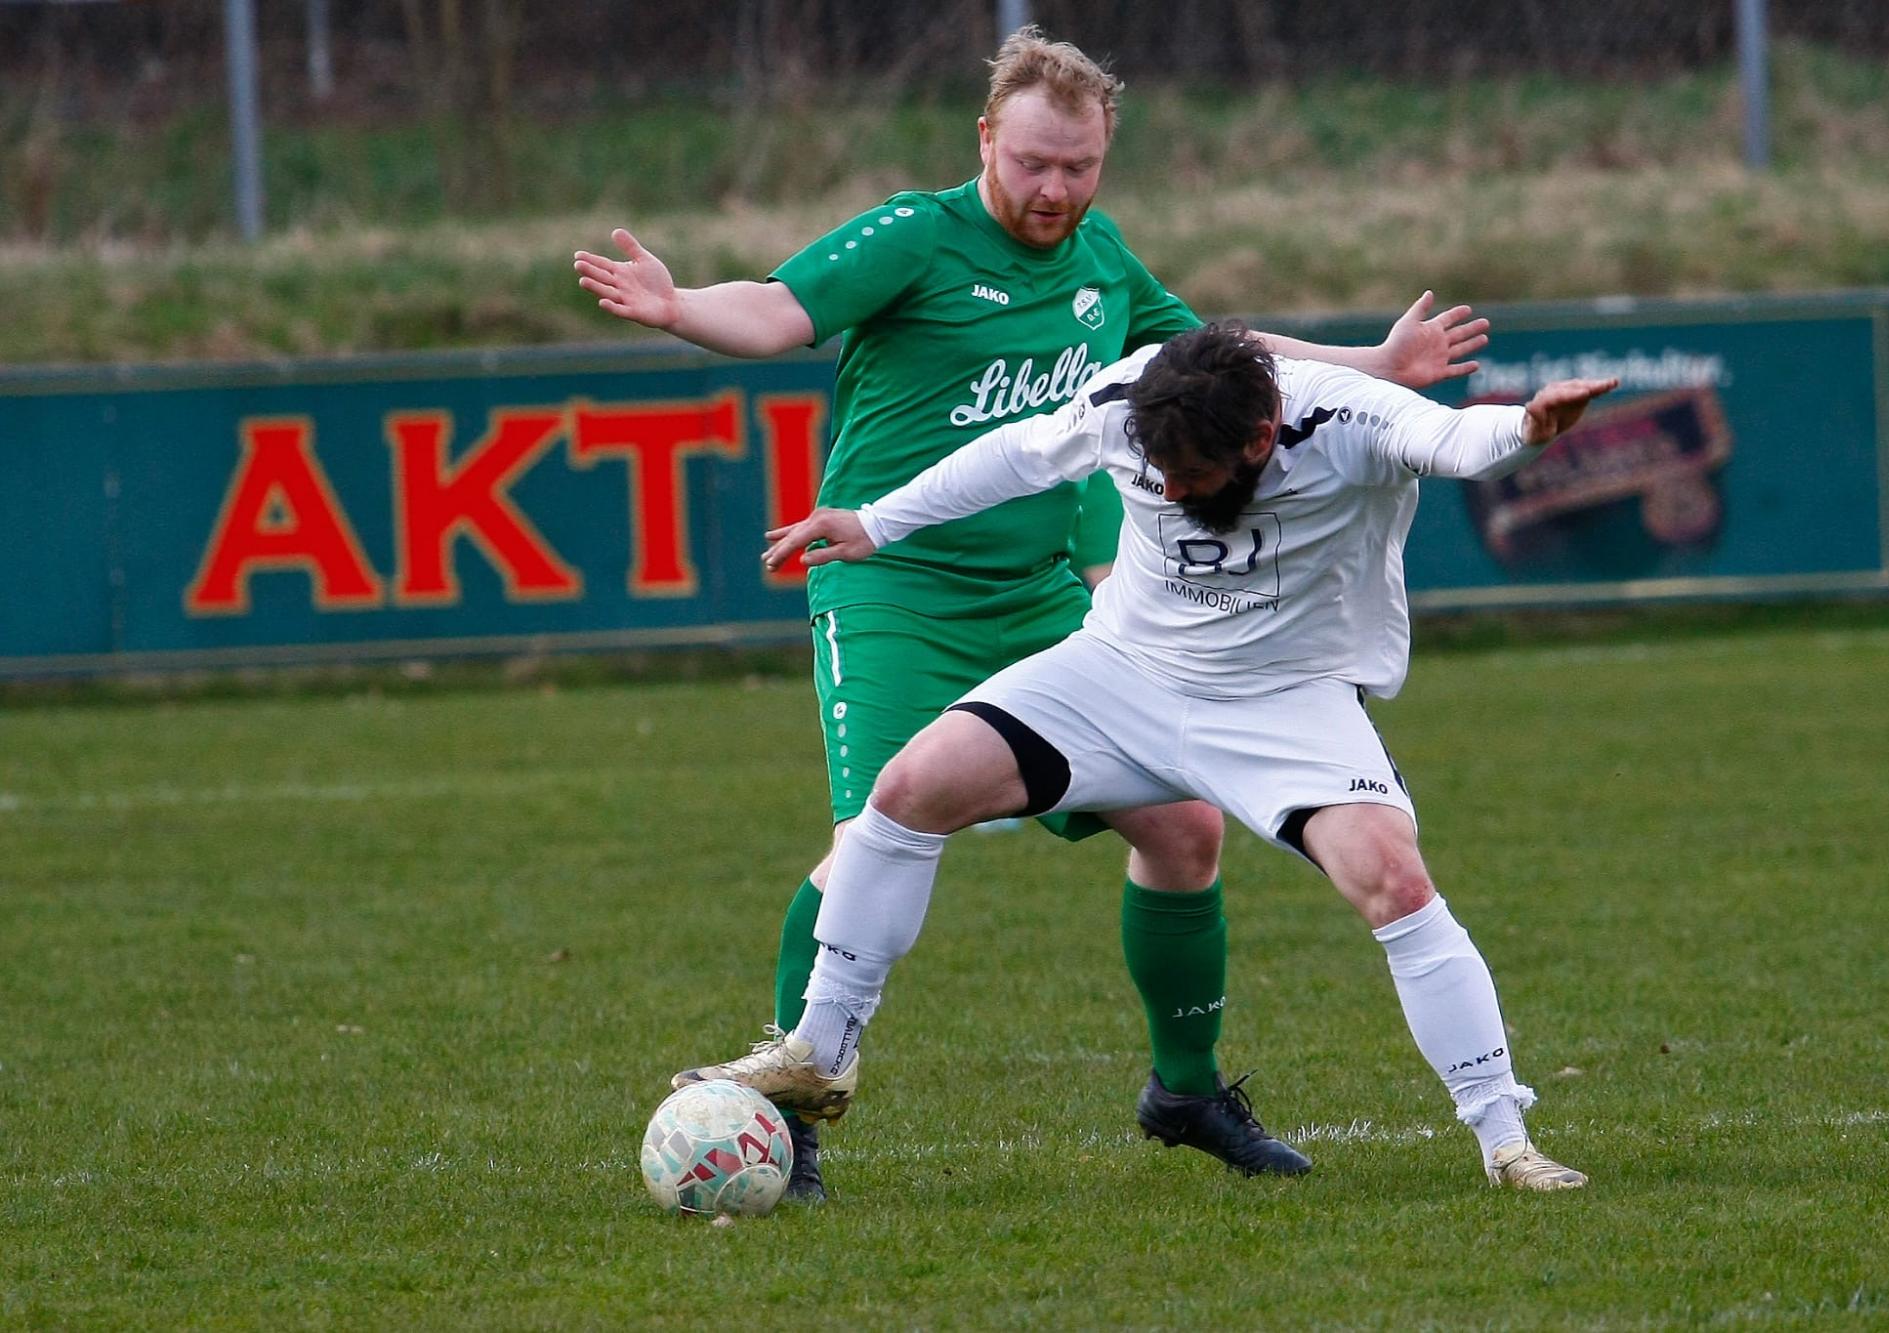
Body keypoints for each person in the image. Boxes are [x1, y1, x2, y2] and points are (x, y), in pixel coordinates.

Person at [575, 28, 1489, 1198]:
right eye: (1031, 163)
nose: (1054, 189)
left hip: (1042, 596)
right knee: (870, 840)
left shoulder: (1100, 257)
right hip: (894, 592)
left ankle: (1185, 1091)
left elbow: (1214, 355)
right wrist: (677, 308)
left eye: (1077, 166)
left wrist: (1372, 360)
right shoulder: (915, 235)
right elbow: (774, 309)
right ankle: (794, 1112)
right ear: (983, 142)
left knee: (1184, 829)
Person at [688, 321, 1618, 1192]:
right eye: (1159, 471)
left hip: (1285, 698)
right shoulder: (1128, 398)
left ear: (1261, 438)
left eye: (1194, 475)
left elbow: (1455, 439)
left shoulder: (1348, 418)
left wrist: (1527, 429)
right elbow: (1018, 453)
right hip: (1120, 673)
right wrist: (877, 521)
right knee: (907, 788)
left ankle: (1505, 1138)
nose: (1170, 492)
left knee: (1397, 883)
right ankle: (821, 1050)